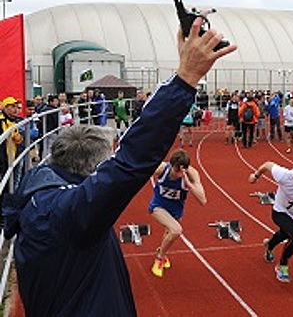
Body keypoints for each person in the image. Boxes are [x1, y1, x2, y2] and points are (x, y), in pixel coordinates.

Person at [2, 16, 237, 316]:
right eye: (105, 164)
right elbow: (131, 161)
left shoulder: (36, 190)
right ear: (91, 170)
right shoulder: (73, 213)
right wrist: (186, 78)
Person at [149, 149, 207, 278]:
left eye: (181, 172)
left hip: (176, 210)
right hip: (158, 206)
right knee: (176, 230)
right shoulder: (162, 168)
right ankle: (160, 258)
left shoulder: (192, 174)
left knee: (169, 235)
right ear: (171, 165)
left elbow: (203, 200)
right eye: (176, 171)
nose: (178, 175)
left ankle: (161, 251)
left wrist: (189, 185)